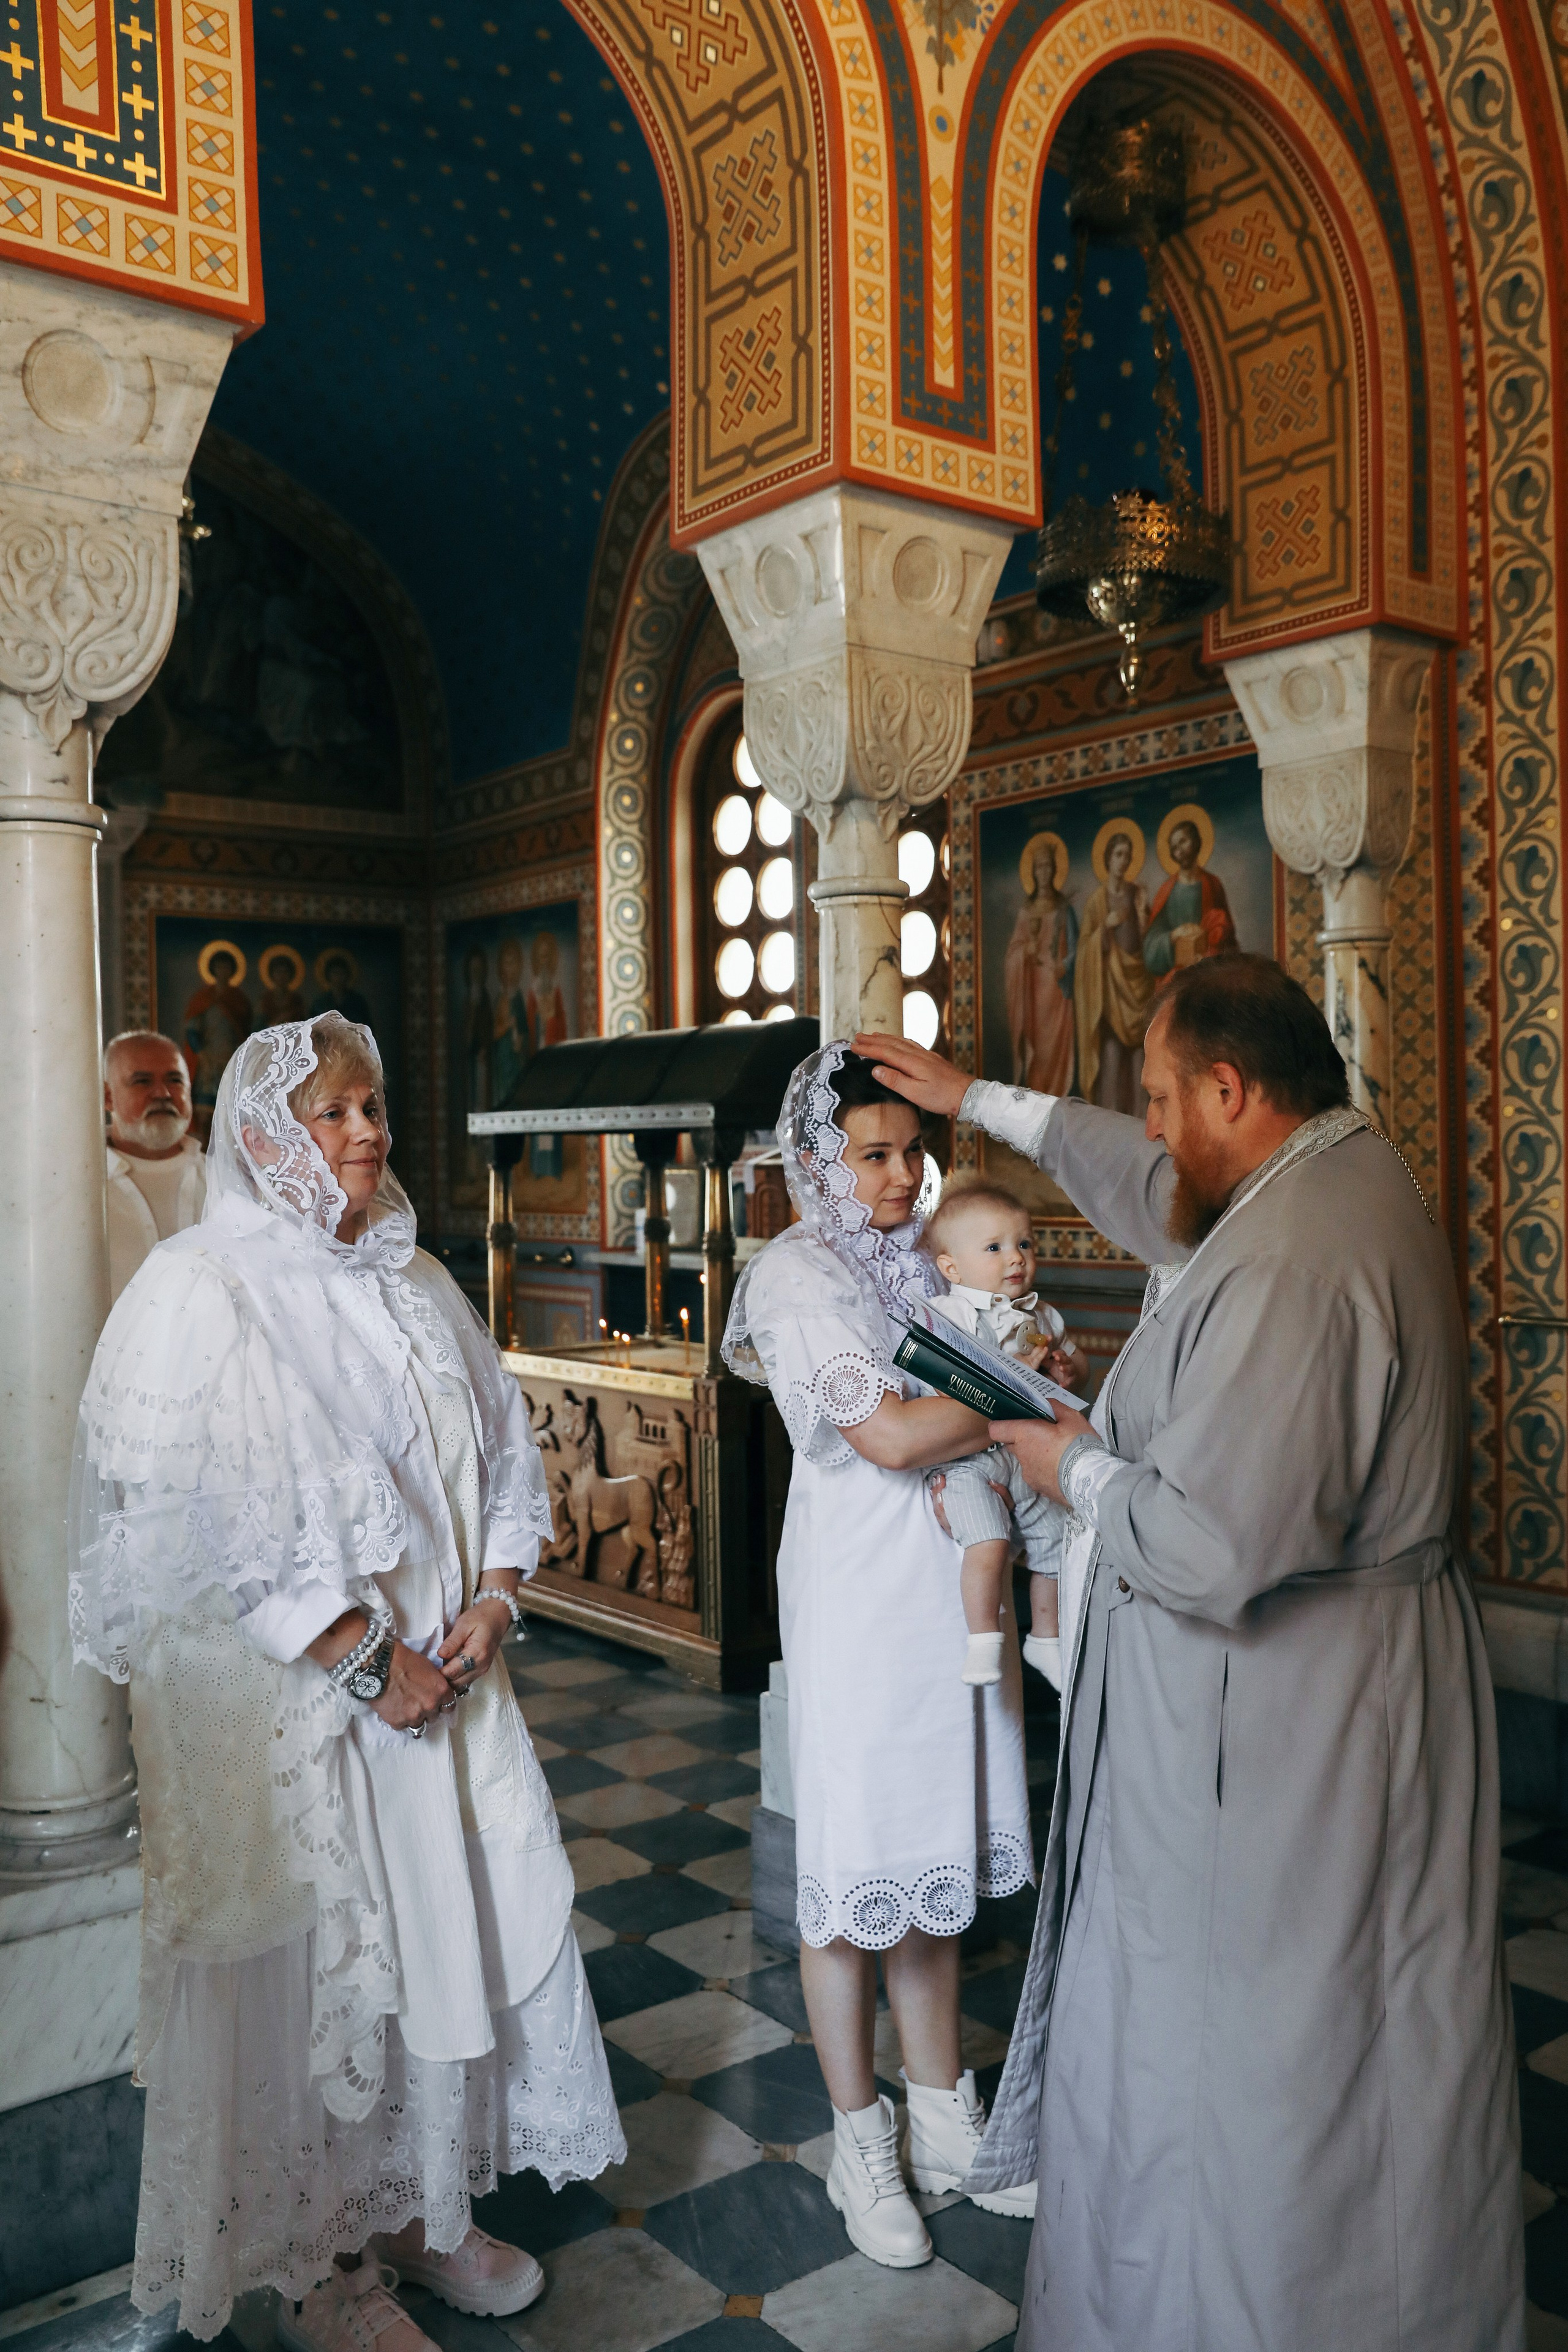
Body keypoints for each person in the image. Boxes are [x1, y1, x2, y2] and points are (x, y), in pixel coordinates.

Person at [855, 962, 1523, 2352]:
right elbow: (1144, 1181)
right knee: (1298, 2036)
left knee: (1277, 2058)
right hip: (1322, 1698)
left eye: (1163, 1097)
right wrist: (976, 1098)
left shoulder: (1297, 1256)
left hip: (1299, 1719)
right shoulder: (1308, 1178)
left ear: (1231, 1090)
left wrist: (1073, 1464)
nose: (1150, 1127)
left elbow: (1217, 1545)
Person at [70, 1014, 625, 2348]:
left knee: (445, 1945)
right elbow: (189, 1521)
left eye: (370, 1106)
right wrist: (364, 1660)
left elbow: (505, 1445)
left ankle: (419, 2209)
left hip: (448, 1690)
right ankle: (322, 2272)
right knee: (332, 1976)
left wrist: (496, 1595)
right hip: (314, 1715)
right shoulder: (205, 1287)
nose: (367, 1130)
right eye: (333, 1112)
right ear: (268, 1139)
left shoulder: (415, 1277)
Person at [723, 1042, 1036, 2269]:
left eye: (911, 1150)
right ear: (815, 1163)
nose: (902, 1175)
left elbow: (956, 1410)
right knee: (855, 1870)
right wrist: (1015, 1389)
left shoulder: (925, 1260)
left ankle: (945, 2121)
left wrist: (1009, 1379)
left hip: (942, 1603)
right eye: (871, 1155)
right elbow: (894, 1438)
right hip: (858, 1601)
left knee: (929, 1858)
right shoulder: (796, 1277)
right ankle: (859, 2140)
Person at [919, 1177, 1080, 1689]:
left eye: (1024, 1243)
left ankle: (1047, 1639)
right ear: (952, 1269)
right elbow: (943, 1385)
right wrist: (1017, 1372)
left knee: (1057, 1541)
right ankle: (983, 1639)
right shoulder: (948, 1316)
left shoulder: (1040, 1314)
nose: (1016, 1258)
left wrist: (1066, 1370)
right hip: (968, 1458)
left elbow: (1076, 1365)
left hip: (1026, 1453)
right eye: (994, 1248)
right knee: (987, 1541)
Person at [104, 1029, 207, 1302]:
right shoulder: (78, 1187)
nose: (163, 1093)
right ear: (107, 1097)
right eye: (142, 1081)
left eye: (175, 1080)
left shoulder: (225, 1179)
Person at [1074, 827, 1154, 1110]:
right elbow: (1084, 952)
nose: (1123, 861)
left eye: (1127, 856)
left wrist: (1143, 915)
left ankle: (1142, 1124)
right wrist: (1104, 928)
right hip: (1109, 993)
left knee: (1141, 1061)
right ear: (1108, 859)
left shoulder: (1137, 894)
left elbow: (1148, 944)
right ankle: (1110, 1126)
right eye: (1119, 855)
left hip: (1138, 988)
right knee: (1111, 1058)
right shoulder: (1097, 902)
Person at [1005, 838, 1077, 1093]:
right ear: (1034, 872)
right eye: (1039, 867)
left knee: (1056, 1051)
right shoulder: (1026, 912)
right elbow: (1013, 952)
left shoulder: (1064, 909)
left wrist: (1066, 965)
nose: (1044, 872)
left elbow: (1077, 950)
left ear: (1055, 869)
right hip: (1032, 993)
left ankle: (1058, 1097)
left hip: (1058, 992)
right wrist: (1025, 951)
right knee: (1037, 1051)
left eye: (1048, 866)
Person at [1142, 813, 1236, 974]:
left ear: (1196, 841)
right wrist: (1174, 935)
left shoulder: (1213, 884)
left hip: (1209, 968)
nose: (1179, 851)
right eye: (1174, 848)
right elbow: (1151, 946)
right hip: (1177, 973)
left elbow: (1228, 935)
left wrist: (1209, 943)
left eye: (1183, 842)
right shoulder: (1167, 890)